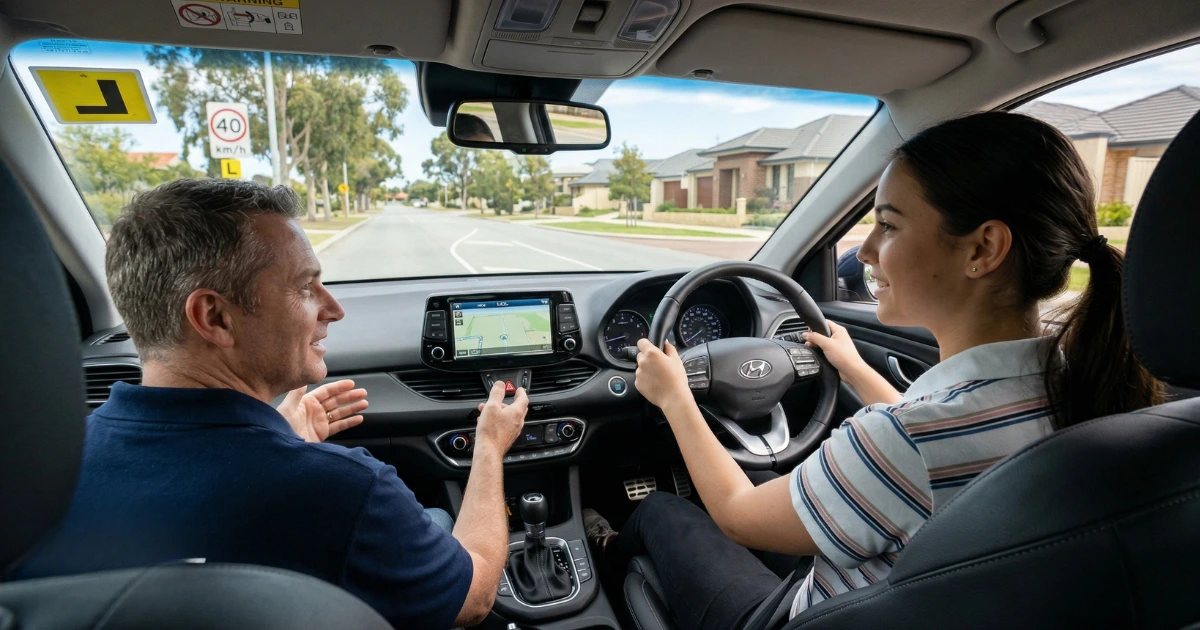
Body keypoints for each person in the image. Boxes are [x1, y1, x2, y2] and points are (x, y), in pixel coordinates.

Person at [584, 112, 1163, 629]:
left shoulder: (905, 442)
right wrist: (855, 369)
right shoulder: (1078, 384)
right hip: (914, 593)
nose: (863, 252)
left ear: (983, 249)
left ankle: (605, 556)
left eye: (888, 224)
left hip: (807, 615)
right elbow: (922, 440)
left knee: (662, 509)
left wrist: (675, 397)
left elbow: (737, 517)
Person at [15, 179, 527, 629]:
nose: (334, 308)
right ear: (214, 317)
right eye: (306, 286)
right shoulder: (342, 491)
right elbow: (476, 596)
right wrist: (489, 445)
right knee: (437, 520)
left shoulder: (34, 479)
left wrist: (279, 443)